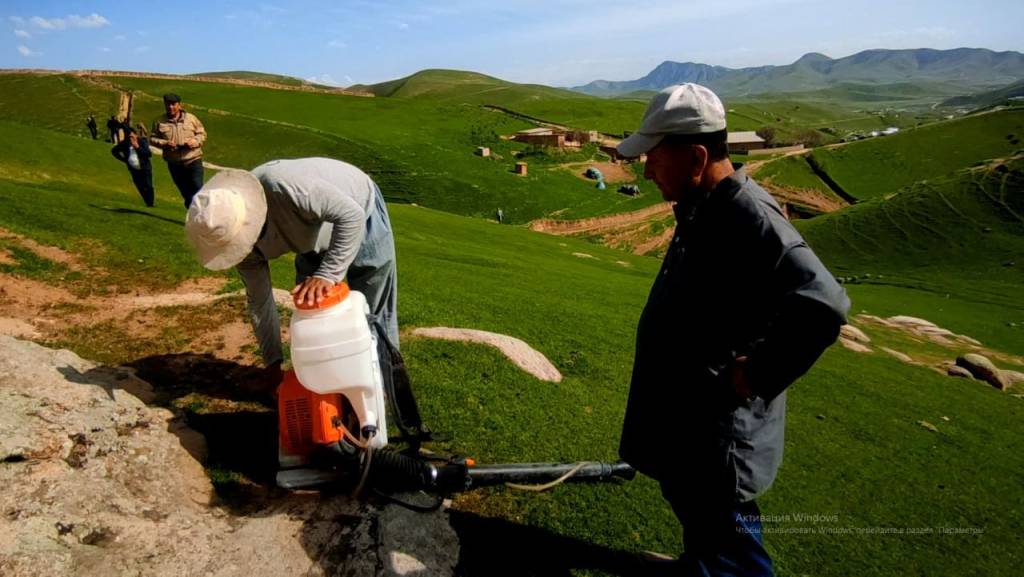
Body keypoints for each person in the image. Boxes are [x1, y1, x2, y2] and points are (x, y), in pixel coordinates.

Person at [616, 84, 850, 576]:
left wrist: (759, 371)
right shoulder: (703, 206)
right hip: (692, 430)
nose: (647, 168)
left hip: (719, 439)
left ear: (697, 157)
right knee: (703, 526)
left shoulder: (749, 216)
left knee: (733, 548)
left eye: (655, 157)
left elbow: (824, 303)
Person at [183, 157, 398, 389]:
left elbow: (351, 216)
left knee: (374, 310)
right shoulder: (236, 243)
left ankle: (386, 387)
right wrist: (272, 365)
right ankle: (326, 384)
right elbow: (260, 302)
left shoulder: (284, 188)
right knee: (312, 315)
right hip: (310, 236)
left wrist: (327, 274)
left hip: (359, 209)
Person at [150, 93, 206, 208]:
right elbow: (152, 139)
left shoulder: (191, 118)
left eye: (173, 104)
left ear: (179, 105)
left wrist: (195, 141)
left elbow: (202, 133)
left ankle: (202, 217)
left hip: (193, 160)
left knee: (197, 188)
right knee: (186, 194)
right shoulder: (159, 121)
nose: (170, 107)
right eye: (168, 104)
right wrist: (165, 143)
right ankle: (192, 212)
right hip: (174, 164)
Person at [110, 123, 155, 207]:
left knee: (148, 185)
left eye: (132, 136)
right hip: (133, 169)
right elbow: (114, 151)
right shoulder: (125, 144)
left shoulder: (142, 141)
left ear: (135, 135)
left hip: (145, 168)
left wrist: (137, 147)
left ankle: (151, 203)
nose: (131, 138)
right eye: (129, 137)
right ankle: (147, 202)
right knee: (140, 186)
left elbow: (148, 154)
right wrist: (124, 160)